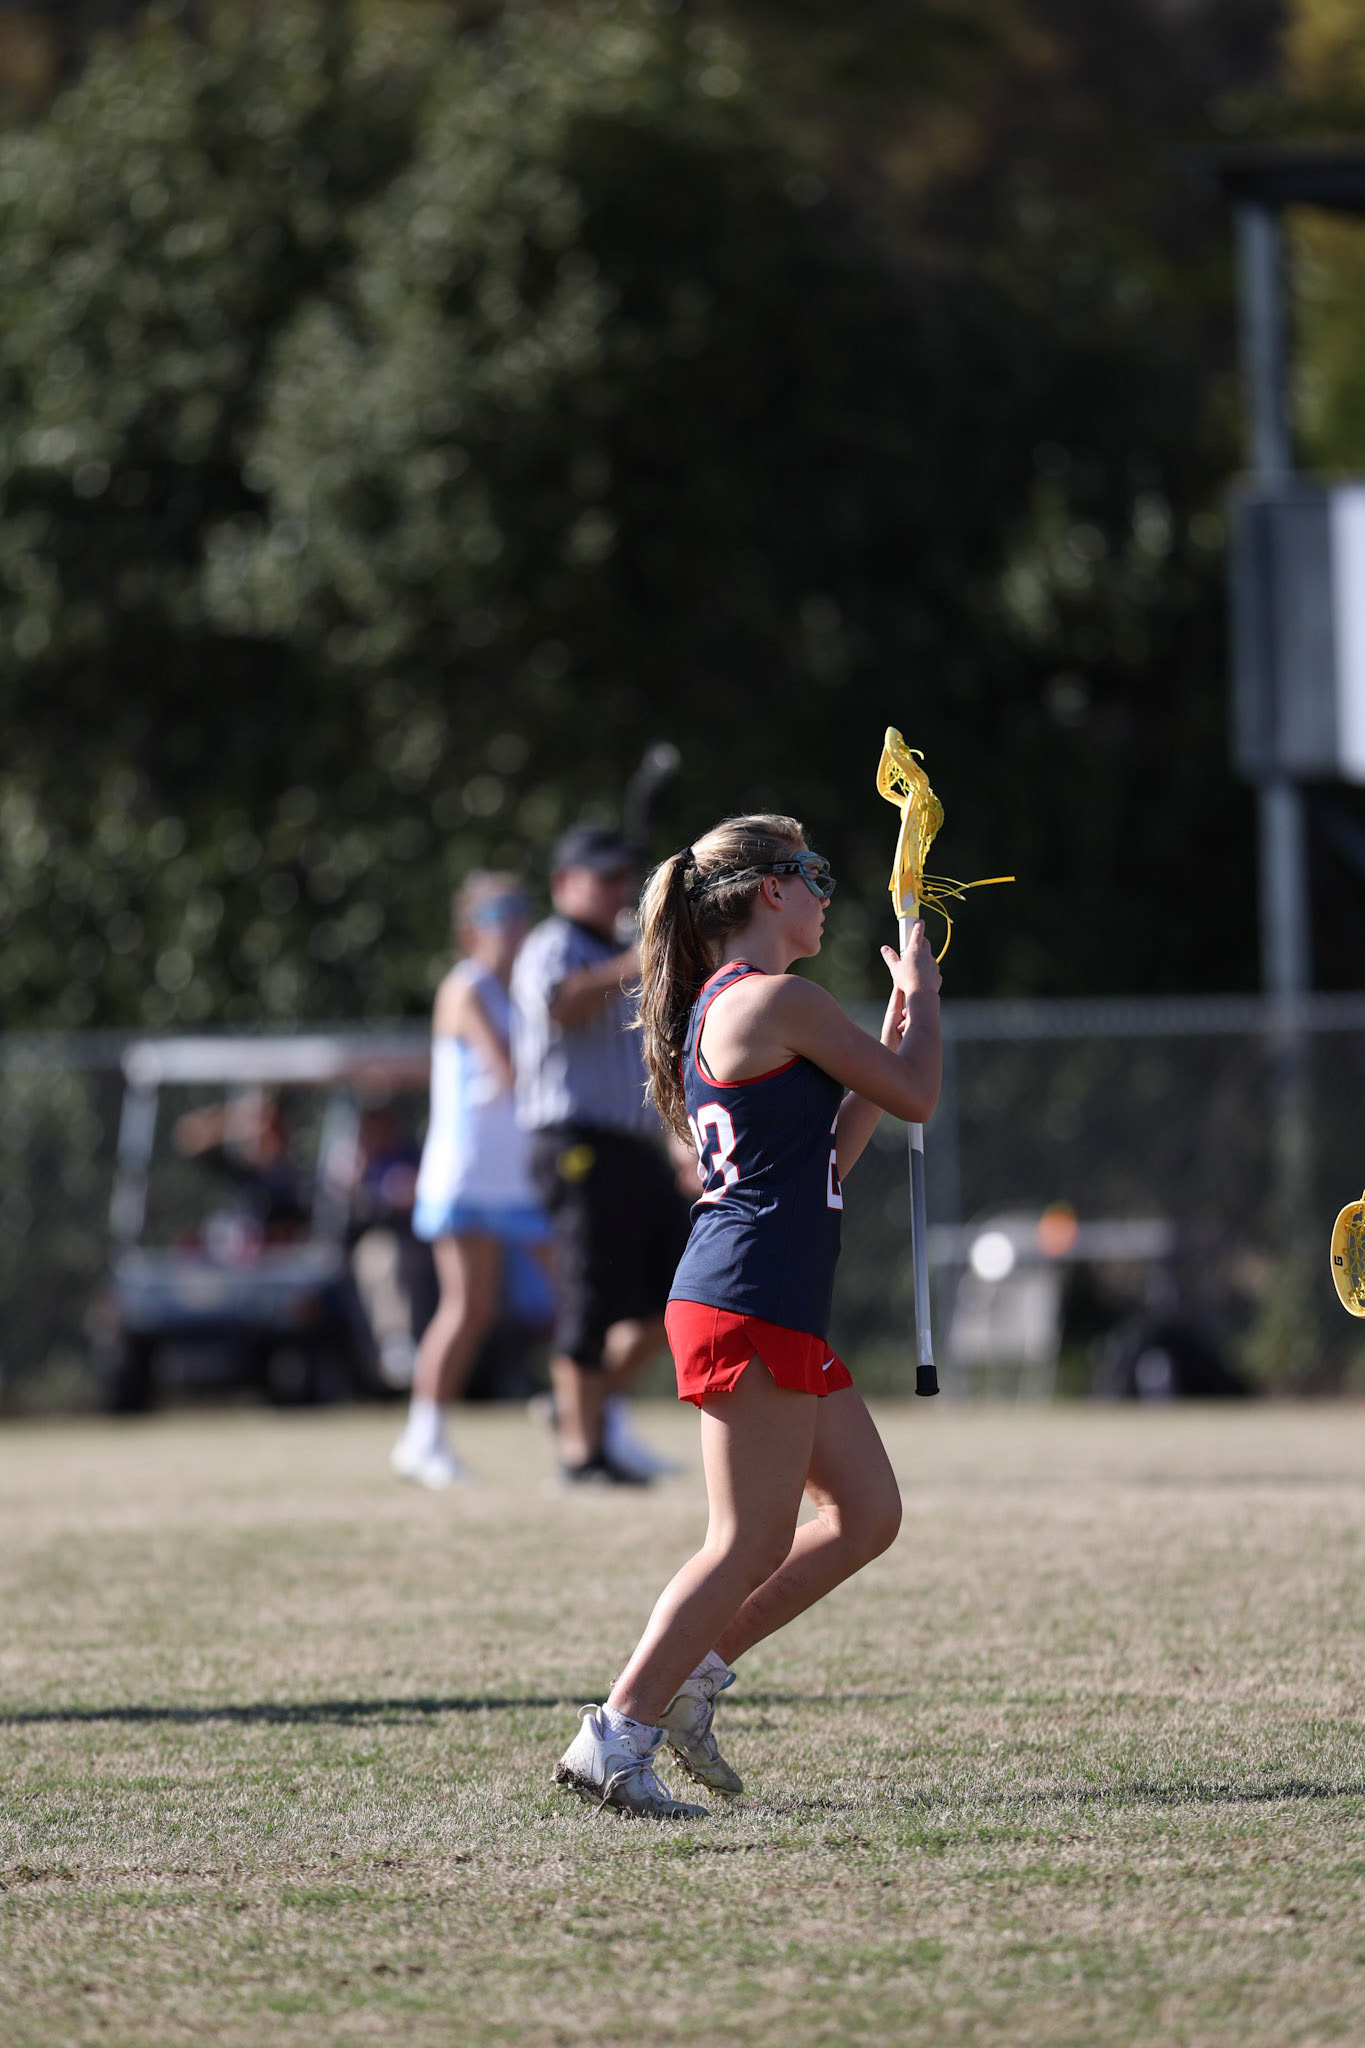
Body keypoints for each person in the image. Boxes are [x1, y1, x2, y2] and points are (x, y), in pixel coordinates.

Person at [553, 812, 942, 1817]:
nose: (824, 891)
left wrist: (894, 1028)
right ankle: (615, 1734)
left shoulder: (741, 1004)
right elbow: (920, 1094)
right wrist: (926, 1000)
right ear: (768, 890)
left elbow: (841, 1143)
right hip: (748, 1291)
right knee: (747, 1537)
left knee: (865, 1514)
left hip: (767, 1289)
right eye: (812, 873)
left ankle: (694, 1672)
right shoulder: (778, 997)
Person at [511, 824, 690, 1486]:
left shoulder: (619, 950)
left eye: (622, 877)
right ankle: (581, 1456)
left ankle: (576, 1412)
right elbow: (558, 1006)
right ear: (564, 884)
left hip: (632, 1144)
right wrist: (632, 961)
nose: (616, 889)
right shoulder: (552, 946)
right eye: (602, 876)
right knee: (586, 1299)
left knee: (674, 1297)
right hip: (573, 1144)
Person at [390, 872, 551, 1488]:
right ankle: (421, 1436)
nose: (509, 923)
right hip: (466, 1174)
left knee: (568, 1298)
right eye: (494, 913)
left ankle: (594, 1425)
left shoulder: (519, 993)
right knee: (466, 1308)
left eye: (516, 910)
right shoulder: (467, 987)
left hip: (512, 1178)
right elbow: (508, 1071)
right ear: (469, 929)